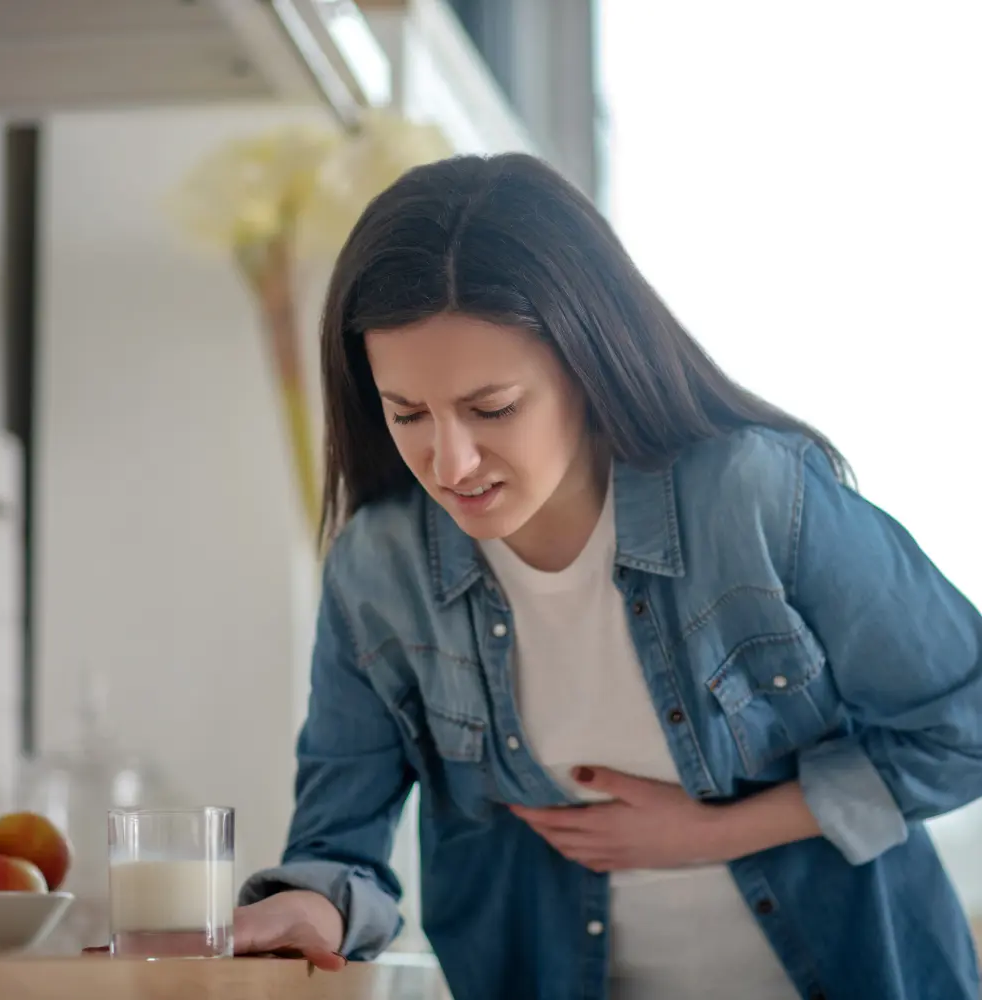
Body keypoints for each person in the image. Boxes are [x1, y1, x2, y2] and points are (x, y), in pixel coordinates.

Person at [232, 153, 982, 999]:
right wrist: (311, 910)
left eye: (492, 408)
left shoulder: (750, 498)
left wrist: (719, 832)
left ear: (585, 366)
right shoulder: (378, 572)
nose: (451, 460)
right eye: (408, 414)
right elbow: (339, 846)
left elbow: (965, 722)